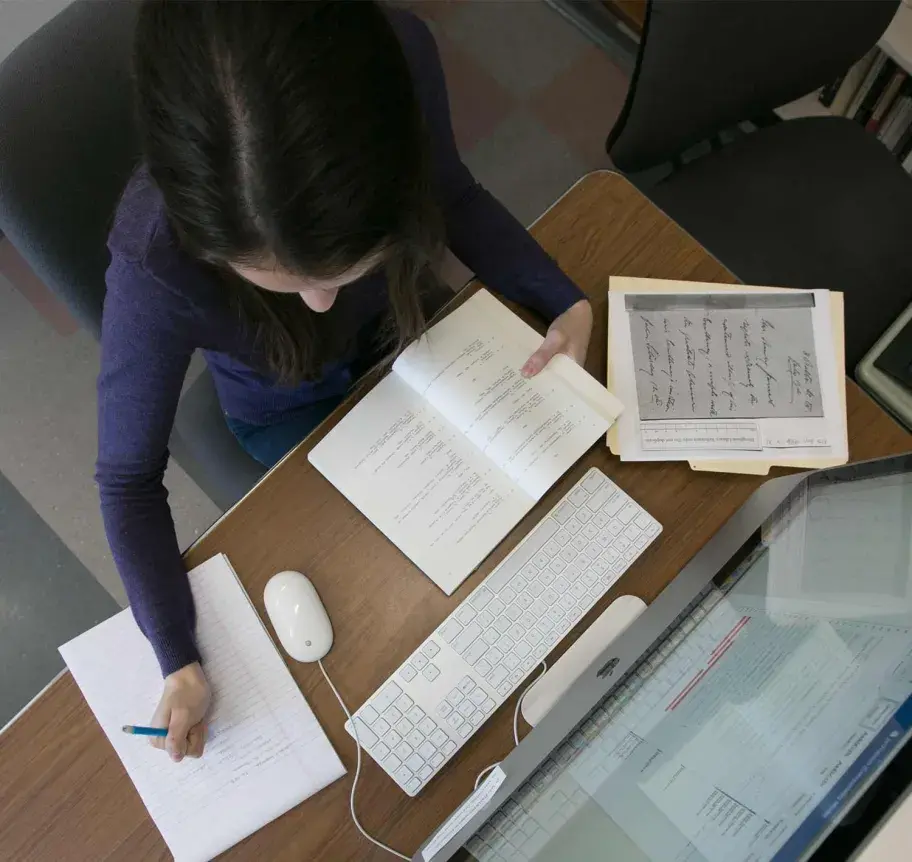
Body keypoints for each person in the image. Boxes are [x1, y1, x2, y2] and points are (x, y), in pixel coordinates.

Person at [99, 0, 593, 764]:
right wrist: (178, 657)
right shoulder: (153, 264)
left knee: (536, 516)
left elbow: (453, 194)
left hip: (415, 332)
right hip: (286, 410)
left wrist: (563, 298)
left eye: (341, 268)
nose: (322, 303)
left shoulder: (397, 62)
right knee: (399, 594)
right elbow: (127, 481)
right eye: (288, 281)